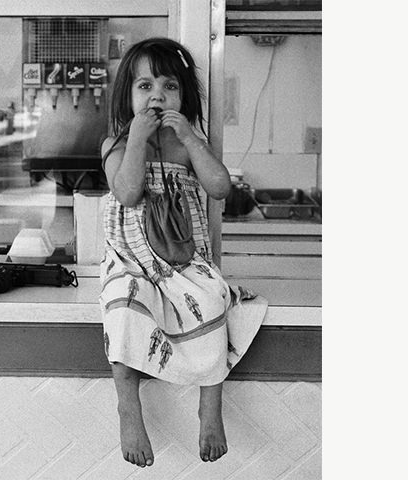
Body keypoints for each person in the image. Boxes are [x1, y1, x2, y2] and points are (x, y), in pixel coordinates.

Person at [99, 37, 267, 468]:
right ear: (127, 97)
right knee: (122, 310)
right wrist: (137, 139)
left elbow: (220, 187)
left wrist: (191, 138)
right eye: (144, 86)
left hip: (185, 263)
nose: (157, 95)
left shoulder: (187, 143)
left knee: (213, 301)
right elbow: (129, 191)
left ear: (184, 96)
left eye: (169, 86)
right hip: (133, 262)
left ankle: (210, 406)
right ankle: (128, 409)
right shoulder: (115, 145)